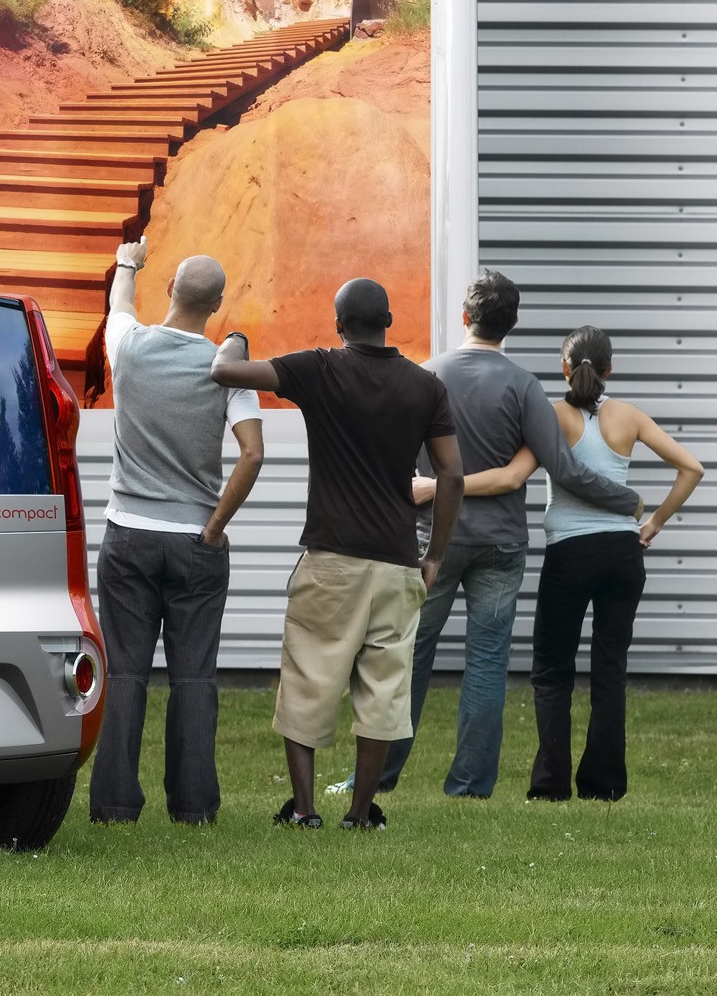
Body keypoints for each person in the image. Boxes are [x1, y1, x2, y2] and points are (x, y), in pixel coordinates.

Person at [364, 270, 642, 800]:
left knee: (407, 655)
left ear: (466, 318)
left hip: (433, 543)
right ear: (510, 324)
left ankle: (377, 777)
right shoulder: (523, 386)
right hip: (503, 545)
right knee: (487, 661)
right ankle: (470, 786)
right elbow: (562, 467)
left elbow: (395, 463)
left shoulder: (426, 376)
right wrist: (624, 497)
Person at [211, 278, 462, 831]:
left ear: (338, 324)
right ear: (390, 320)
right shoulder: (426, 387)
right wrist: (435, 557)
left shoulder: (320, 368)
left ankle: (303, 810)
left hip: (329, 560)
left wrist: (233, 337)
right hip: (397, 562)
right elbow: (451, 473)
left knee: (307, 682)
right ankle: (358, 813)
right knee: (383, 691)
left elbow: (225, 373)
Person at [412, 325, 703, 801]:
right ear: (610, 370)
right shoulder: (629, 416)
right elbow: (693, 467)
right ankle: (604, 786)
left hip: (570, 554)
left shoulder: (551, 416)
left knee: (551, 671)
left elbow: (509, 476)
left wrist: (439, 486)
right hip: (624, 555)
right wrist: (652, 525)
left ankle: (550, 787)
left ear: (564, 368)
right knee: (610, 669)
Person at [88, 236, 265, 825]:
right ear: (216, 305)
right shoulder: (228, 367)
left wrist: (127, 262)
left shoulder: (131, 348)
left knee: (126, 672)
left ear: (170, 290)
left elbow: (118, 306)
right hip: (197, 541)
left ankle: (115, 804)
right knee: (194, 677)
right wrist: (216, 525)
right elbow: (253, 454)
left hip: (129, 535)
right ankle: (193, 808)